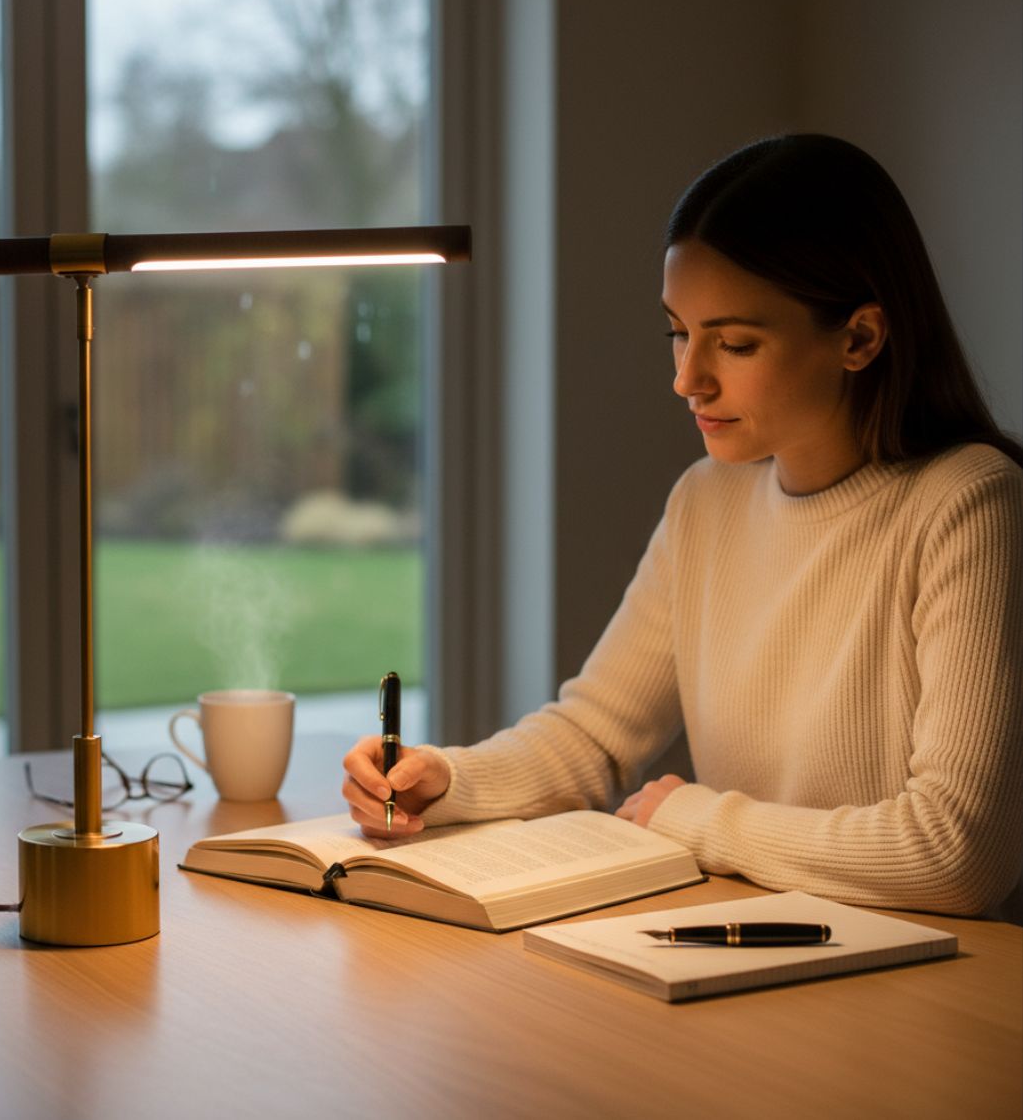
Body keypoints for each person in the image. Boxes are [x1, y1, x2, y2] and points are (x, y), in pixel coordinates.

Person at [342, 133, 1023, 918]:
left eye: (734, 342)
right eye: (678, 330)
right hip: (753, 951)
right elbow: (596, 736)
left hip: (928, 988)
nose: (686, 378)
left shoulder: (970, 504)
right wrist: (446, 779)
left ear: (860, 338)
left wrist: (697, 817)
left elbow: (957, 851)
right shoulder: (707, 500)